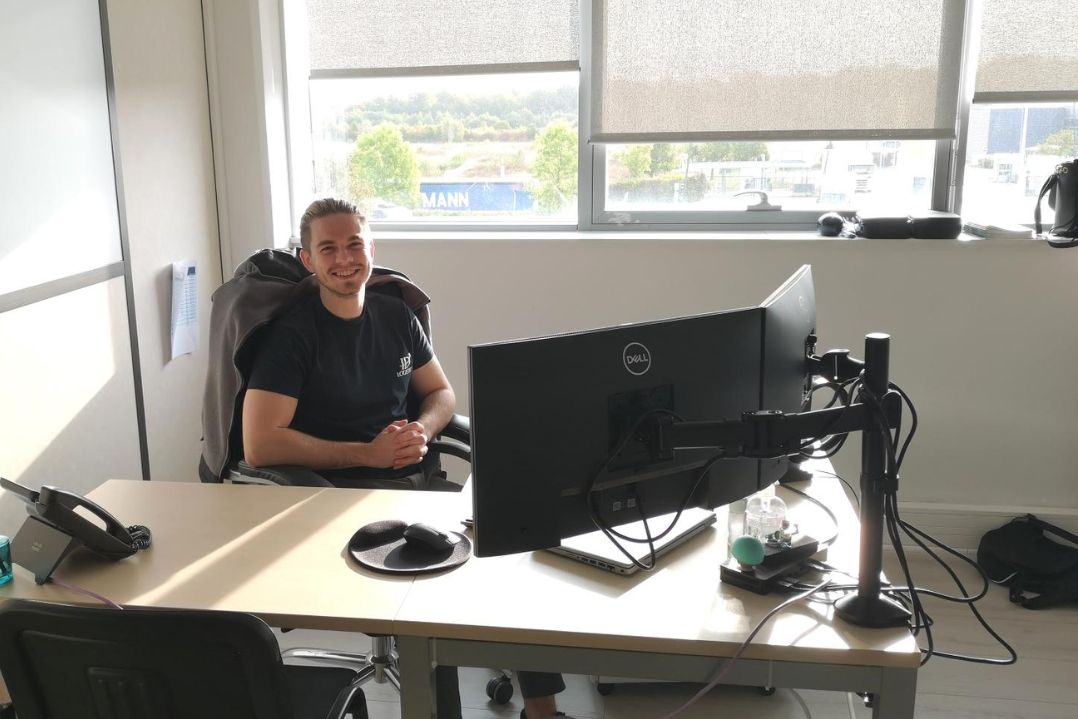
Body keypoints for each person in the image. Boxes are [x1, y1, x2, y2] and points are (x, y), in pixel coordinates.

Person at [243, 198, 575, 719]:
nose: (345, 259)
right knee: (430, 595)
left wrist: (421, 428)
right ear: (308, 261)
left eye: (355, 244)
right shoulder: (293, 337)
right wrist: (367, 452)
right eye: (328, 248)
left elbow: (441, 393)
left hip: (416, 483)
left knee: (517, 538)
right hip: (341, 500)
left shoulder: (395, 314)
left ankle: (543, 709)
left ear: (371, 247)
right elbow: (259, 445)